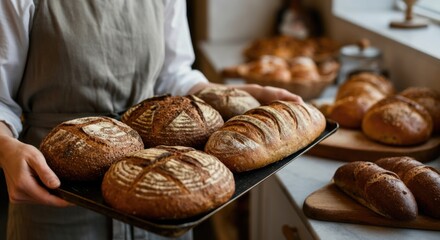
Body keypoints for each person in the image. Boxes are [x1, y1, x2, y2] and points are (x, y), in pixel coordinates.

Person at [0, 0, 303, 239]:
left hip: (162, 189)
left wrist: (224, 95)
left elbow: (173, 76)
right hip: (56, 184)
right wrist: (4, 147)